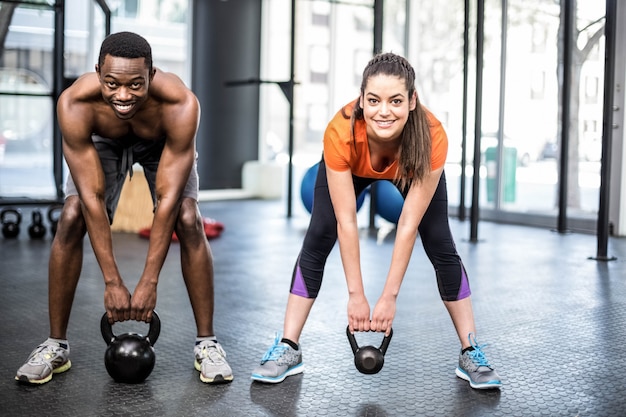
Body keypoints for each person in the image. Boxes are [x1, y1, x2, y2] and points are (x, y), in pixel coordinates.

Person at [251, 52, 501, 390]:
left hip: (410, 168)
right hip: (350, 170)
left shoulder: (432, 136)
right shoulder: (340, 132)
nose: (384, 111)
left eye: (396, 100)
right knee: (320, 233)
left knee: (440, 240)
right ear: (361, 100)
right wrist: (356, 295)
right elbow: (347, 222)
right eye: (374, 100)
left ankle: (470, 350)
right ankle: (288, 346)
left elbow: (408, 224)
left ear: (413, 101)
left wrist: (388, 297)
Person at [15, 31, 233, 385]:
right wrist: (113, 281)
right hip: (103, 140)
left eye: (136, 84)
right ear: (98, 71)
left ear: (152, 74)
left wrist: (148, 282)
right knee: (71, 216)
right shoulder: (75, 105)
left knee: (189, 217)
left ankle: (207, 343)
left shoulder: (181, 105)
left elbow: (168, 201)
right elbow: (92, 198)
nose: (123, 95)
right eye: (112, 83)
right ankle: (56, 345)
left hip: (160, 141)